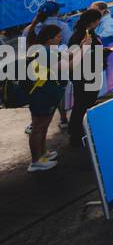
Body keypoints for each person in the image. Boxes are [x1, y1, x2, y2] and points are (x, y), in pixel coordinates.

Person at [25, 23, 68, 172]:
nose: (60, 38)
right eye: (58, 36)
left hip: (45, 94)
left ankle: (42, 154)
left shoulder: (44, 49)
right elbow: (66, 67)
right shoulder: (46, 52)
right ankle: (36, 161)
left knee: (43, 126)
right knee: (38, 127)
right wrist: (83, 50)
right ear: (49, 39)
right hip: (41, 95)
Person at [66, 4, 110, 147]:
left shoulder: (88, 34)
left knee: (85, 104)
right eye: (98, 20)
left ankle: (81, 132)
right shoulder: (79, 36)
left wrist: (102, 52)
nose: (99, 23)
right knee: (81, 105)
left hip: (90, 74)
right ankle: (76, 136)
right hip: (84, 76)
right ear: (92, 22)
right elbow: (74, 58)